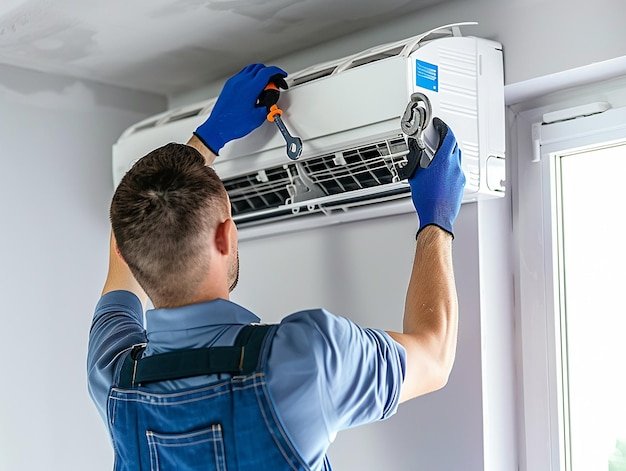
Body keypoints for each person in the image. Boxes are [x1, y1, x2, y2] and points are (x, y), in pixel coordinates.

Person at [87, 63, 465, 471]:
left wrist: (206, 140)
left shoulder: (113, 374)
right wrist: (437, 219)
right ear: (226, 237)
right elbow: (435, 356)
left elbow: (125, 230)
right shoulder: (306, 355)